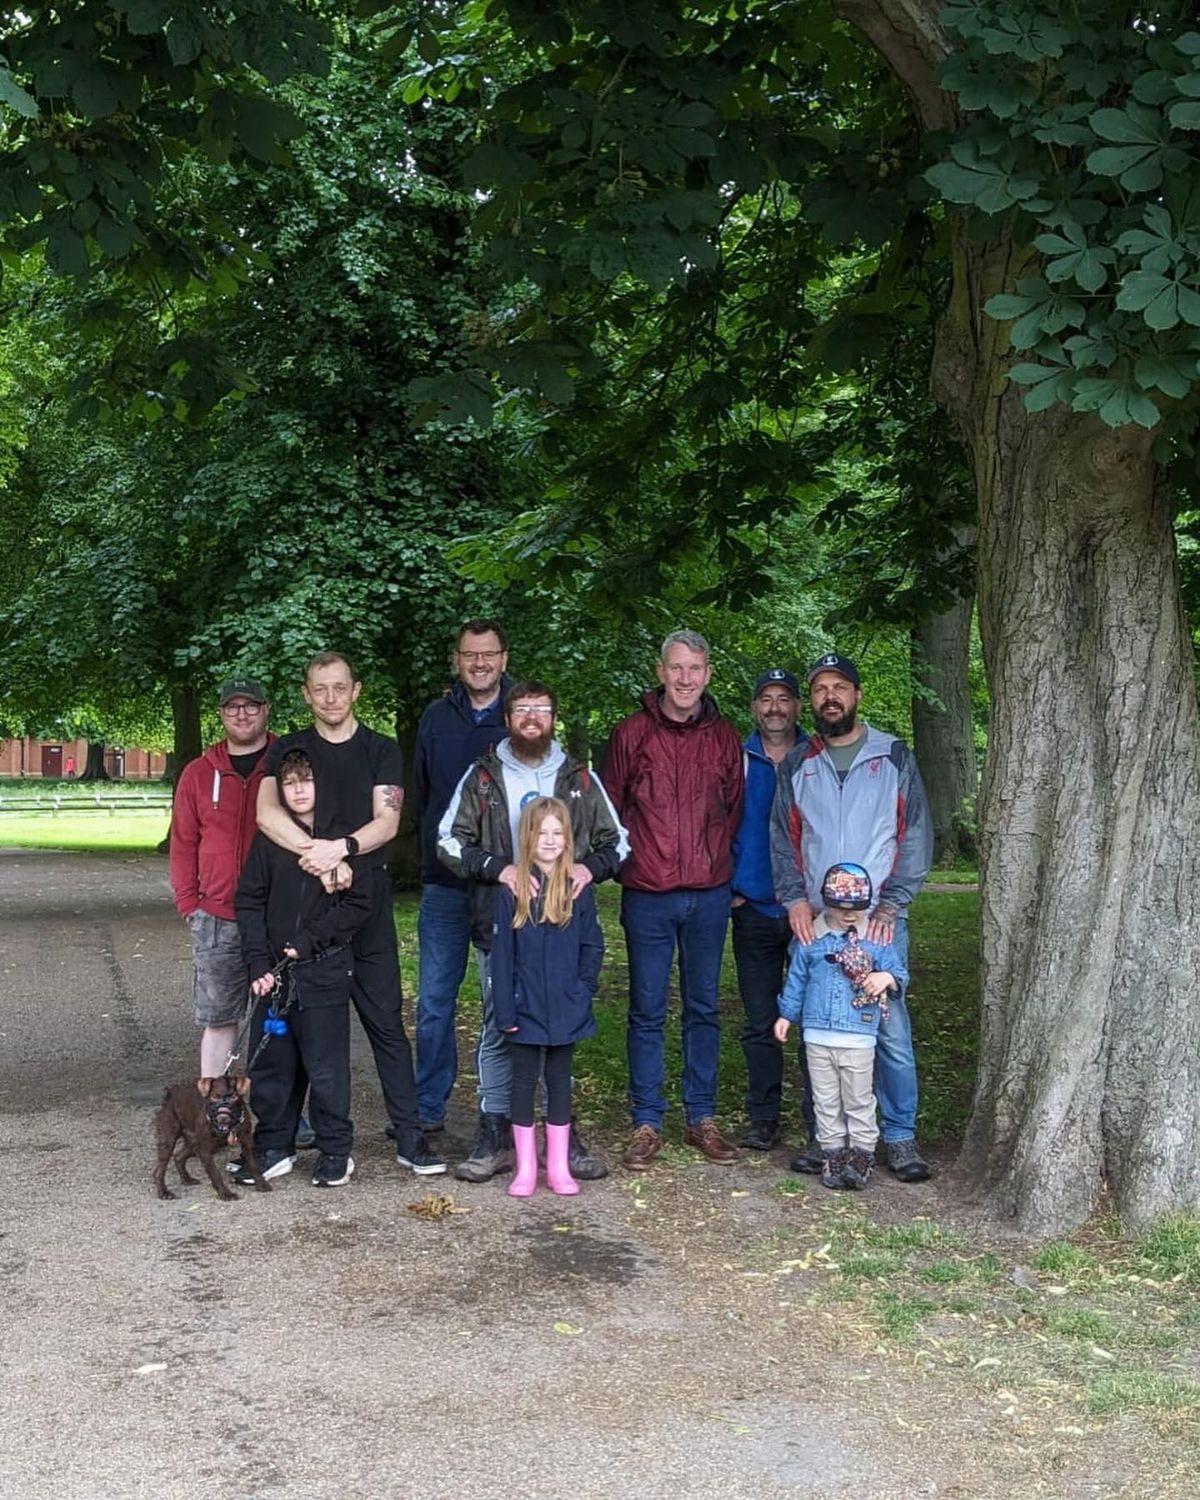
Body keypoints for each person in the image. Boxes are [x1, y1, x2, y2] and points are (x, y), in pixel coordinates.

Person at [257, 651, 445, 1175]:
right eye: (321, 689)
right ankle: (291, 1140)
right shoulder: (289, 749)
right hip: (311, 910)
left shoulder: (380, 749)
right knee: (308, 1029)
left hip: (368, 905)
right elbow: (267, 813)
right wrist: (315, 856)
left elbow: (387, 821)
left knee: (386, 1024)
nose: (332, 697)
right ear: (306, 693)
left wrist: (339, 849)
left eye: (341, 687)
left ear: (356, 690)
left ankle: (411, 1138)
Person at [438, 680, 629, 1183]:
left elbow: (620, 843)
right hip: (503, 924)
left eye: (541, 709)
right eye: (521, 709)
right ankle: (496, 1129)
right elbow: (448, 841)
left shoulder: (578, 778)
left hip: (565, 932)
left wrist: (593, 867)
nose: (531, 717)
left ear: (554, 717)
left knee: (559, 1036)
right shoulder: (482, 777)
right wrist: (496, 867)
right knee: (503, 1027)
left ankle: (561, 1134)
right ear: (507, 717)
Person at [771, 651, 933, 1182]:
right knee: (817, 1023)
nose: (830, 697)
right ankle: (827, 1138)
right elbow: (783, 838)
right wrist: (795, 899)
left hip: (877, 921)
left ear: (857, 694)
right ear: (810, 700)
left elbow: (913, 836)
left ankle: (901, 1137)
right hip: (816, 921)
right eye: (820, 689)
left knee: (888, 1029)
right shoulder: (799, 762)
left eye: (840, 687)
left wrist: (893, 903)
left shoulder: (893, 756)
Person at [603, 630, 744, 1171]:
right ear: (660, 672)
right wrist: (628, 867)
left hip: (708, 894)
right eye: (676, 668)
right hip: (649, 894)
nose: (686, 679)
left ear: (707, 675)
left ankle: (701, 1117)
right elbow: (610, 810)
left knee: (704, 1007)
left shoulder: (726, 737)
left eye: (696, 669)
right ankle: (647, 1120)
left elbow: (734, 809)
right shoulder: (631, 734)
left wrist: (716, 866)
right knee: (646, 1009)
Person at [235, 749, 371, 1188]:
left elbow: (358, 904)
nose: (298, 790)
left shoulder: (343, 841)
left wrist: (308, 943)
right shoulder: (270, 841)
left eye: (306, 780)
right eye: (289, 782)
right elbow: (249, 900)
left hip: (324, 971)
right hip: (274, 975)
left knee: (326, 1066)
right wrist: (259, 961)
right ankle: (274, 1145)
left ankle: (335, 1149)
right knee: (272, 1066)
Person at [412, 619, 512, 1131]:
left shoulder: (523, 714)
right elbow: (424, 794)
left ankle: (499, 1112)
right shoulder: (435, 717)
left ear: (504, 659)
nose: (479, 663)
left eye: (488, 654)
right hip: (445, 883)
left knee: (504, 1002)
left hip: (505, 887)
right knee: (434, 1002)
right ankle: (427, 1109)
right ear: (457, 660)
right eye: (470, 655)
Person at [490, 798, 605, 1198]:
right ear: (528, 838)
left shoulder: (578, 890)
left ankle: (557, 1166)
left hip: (567, 1007)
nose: (551, 840)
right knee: (523, 1083)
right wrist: (506, 1007)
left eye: (559, 833)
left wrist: (584, 990)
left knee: (560, 1082)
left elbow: (593, 945)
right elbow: (501, 959)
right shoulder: (512, 892)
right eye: (543, 832)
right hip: (525, 1009)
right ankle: (525, 1168)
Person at [774, 863, 907, 1191]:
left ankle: (862, 1152)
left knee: (859, 1098)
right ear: (827, 903)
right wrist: (786, 1015)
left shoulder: (875, 942)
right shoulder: (812, 942)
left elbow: (899, 974)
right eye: (842, 909)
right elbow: (796, 981)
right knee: (825, 1098)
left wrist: (885, 977)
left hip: (858, 1035)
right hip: (818, 1035)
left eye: (858, 910)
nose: (850, 917)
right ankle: (832, 1152)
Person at [730, 669, 817, 1156]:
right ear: (754, 707)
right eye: (766, 699)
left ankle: (818, 1118)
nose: (775, 708)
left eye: (785, 699)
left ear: (798, 708)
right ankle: (763, 1118)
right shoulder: (736, 758)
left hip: (811, 910)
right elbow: (715, 820)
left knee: (816, 1018)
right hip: (755, 908)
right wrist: (730, 884)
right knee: (760, 1020)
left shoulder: (816, 756)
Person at [170, 677, 275, 1078]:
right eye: (233, 707)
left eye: (251, 705)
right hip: (216, 917)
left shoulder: (288, 763)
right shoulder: (198, 774)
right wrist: (190, 906)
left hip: (275, 914)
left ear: (266, 709)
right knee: (219, 1020)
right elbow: (183, 842)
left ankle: (279, 1114)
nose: (243, 714)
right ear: (221, 715)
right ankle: (215, 1113)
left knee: (277, 1021)